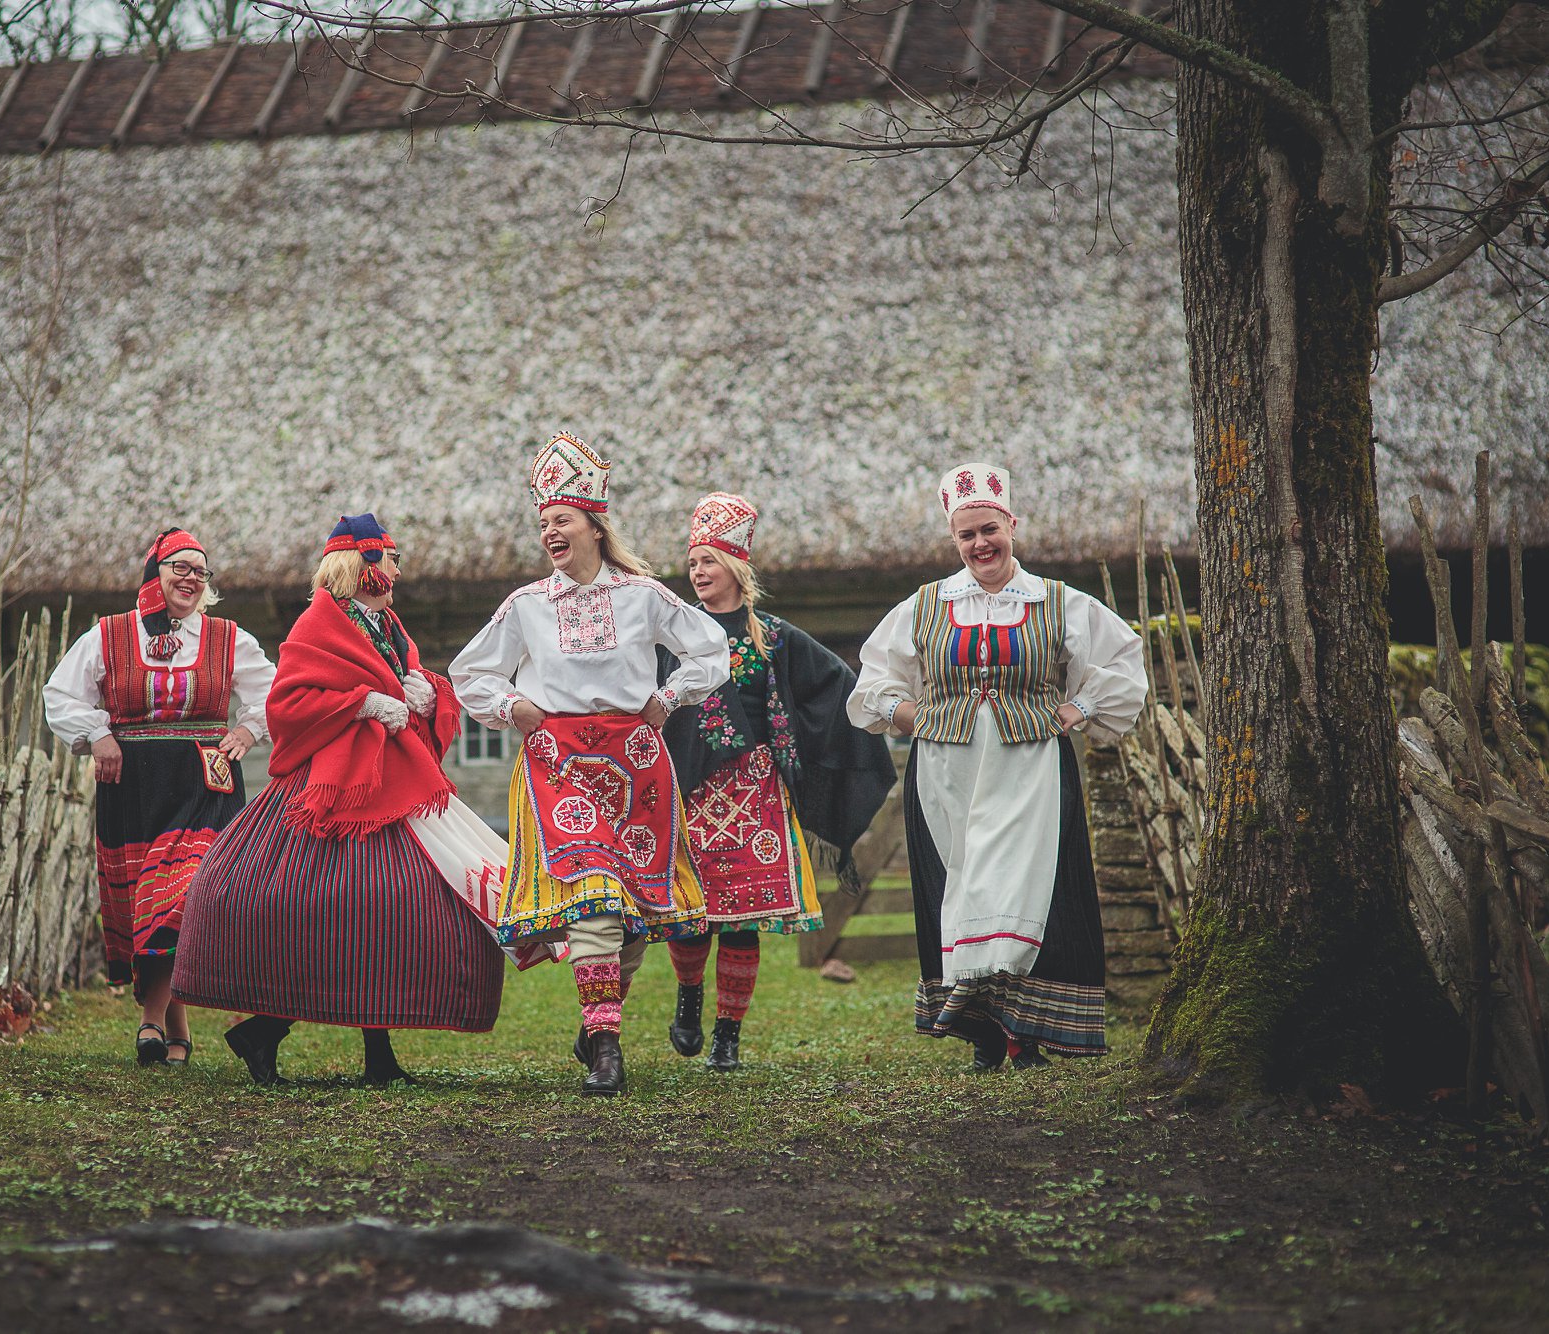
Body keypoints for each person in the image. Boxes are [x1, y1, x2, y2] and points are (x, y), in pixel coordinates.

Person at [174, 514, 539, 1087]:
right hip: (330, 791)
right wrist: (362, 704)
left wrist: (427, 691)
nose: (397, 570)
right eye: (389, 558)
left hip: (391, 788)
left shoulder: (389, 625)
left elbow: (407, 678)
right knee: (334, 912)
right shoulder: (317, 623)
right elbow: (289, 703)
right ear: (360, 564)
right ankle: (270, 1031)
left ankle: (344, 1049)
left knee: (386, 914)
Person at [450, 433, 729, 1096]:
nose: (550, 531)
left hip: (635, 765)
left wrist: (667, 698)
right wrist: (513, 704)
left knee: (632, 913)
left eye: (562, 520)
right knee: (595, 899)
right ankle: (607, 1047)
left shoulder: (642, 595)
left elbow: (711, 648)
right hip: (560, 765)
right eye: (543, 523)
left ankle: (597, 1018)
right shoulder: (525, 606)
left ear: (594, 526)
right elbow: (470, 671)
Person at [846, 464, 1146, 1069]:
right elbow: (874, 678)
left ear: (1011, 524)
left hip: (1031, 767)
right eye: (967, 536)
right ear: (954, 541)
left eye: (989, 529)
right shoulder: (926, 606)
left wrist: (1078, 708)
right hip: (946, 770)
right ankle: (984, 1030)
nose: (980, 544)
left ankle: (1026, 1029)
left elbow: (1123, 664)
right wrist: (909, 714)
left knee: (1031, 890)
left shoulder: (1059, 602)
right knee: (961, 886)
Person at [660, 493, 898, 1071]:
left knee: (744, 917)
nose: (698, 573)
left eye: (708, 562)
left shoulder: (774, 636)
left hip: (753, 793)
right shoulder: (673, 633)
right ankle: (689, 1001)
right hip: (687, 793)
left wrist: (878, 714)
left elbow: (837, 683)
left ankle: (727, 1035)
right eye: (692, 563)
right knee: (689, 913)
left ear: (736, 568)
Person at [44, 528, 275, 1067]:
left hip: (205, 782)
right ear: (156, 573)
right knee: (148, 905)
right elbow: (61, 694)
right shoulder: (109, 636)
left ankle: (150, 1021)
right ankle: (178, 1027)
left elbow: (275, 692)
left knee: (185, 893)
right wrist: (98, 735)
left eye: (201, 571)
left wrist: (247, 731)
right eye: (181, 567)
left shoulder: (227, 638)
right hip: (134, 789)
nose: (192, 578)